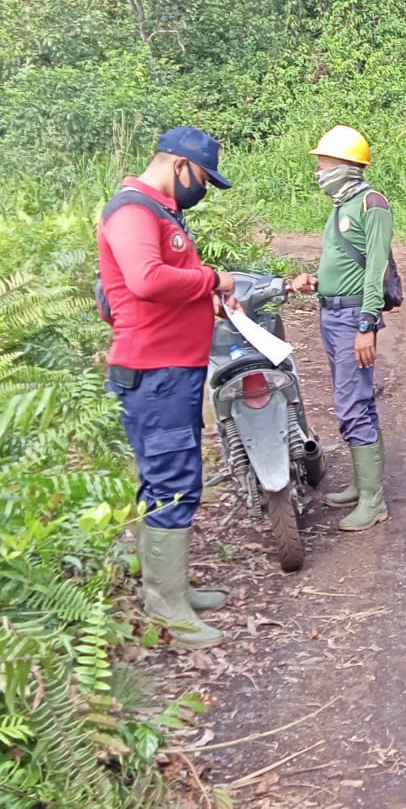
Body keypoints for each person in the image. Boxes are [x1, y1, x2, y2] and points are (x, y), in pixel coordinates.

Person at [97, 126, 237, 648]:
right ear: (180, 165)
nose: (203, 189)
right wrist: (213, 280)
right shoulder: (134, 210)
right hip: (154, 374)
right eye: (202, 178)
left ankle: (168, 586)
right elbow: (146, 280)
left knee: (167, 478)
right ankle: (166, 605)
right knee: (173, 481)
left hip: (170, 371)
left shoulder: (159, 211)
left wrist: (205, 299)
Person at [290, 125, 392, 531]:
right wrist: (317, 280)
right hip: (331, 315)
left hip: (352, 318)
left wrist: (367, 323)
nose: (319, 170)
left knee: (352, 405)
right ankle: (363, 485)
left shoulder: (371, 204)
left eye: (323, 162)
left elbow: (376, 269)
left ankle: (373, 500)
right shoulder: (341, 205)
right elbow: (345, 263)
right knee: (357, 401)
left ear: (346, 165)